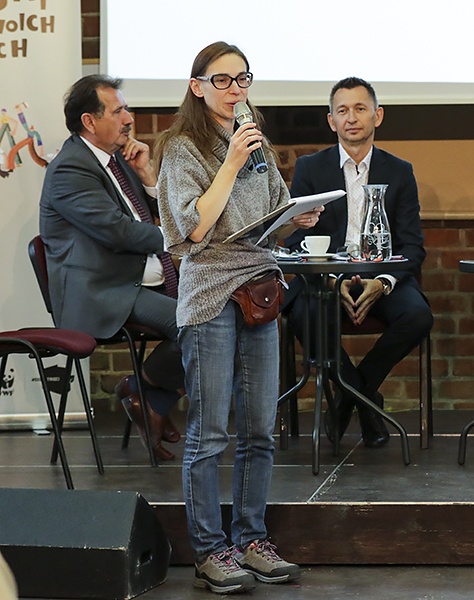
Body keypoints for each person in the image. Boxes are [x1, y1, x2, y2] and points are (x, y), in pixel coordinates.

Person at [156, 41, 315, 593]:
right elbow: (192, 230)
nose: (234, 90)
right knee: (211, 432)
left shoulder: (259, 145)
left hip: (260, 287)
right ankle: (208, 549)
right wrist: (230, 163)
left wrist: (298, 217)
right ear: (197, 86)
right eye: (221, 81)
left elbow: (271, 214)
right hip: (211, 295)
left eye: (242, 79)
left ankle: (252, 539)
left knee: (259, 429)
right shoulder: (181, 149)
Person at [282, 77, 433, 448]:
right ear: (331, 120)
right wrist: (332, 279)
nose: (352, 118)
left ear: (377, 116)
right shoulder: (310, 169)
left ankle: (351, 397)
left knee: (418, 315)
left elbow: (412, 244)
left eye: (360, 109)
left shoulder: (399, 171)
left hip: (381, 276)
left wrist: (381, 282)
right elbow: (297, 238)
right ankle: (368, 402)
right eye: (343, 111)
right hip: (326, 278)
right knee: (302, 315)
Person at [39, 74, 184, 461]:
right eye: (119, 111)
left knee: (216, 310)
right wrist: (184, 235)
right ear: (90, 121)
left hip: (135, 281)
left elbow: (147, 219)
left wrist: (148, 177)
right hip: (103, 291)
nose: (129, 118)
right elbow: (120, 233)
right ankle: (147, 396)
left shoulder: (115, 161)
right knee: (197, 321)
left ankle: (146, 396)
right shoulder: (70, 169)